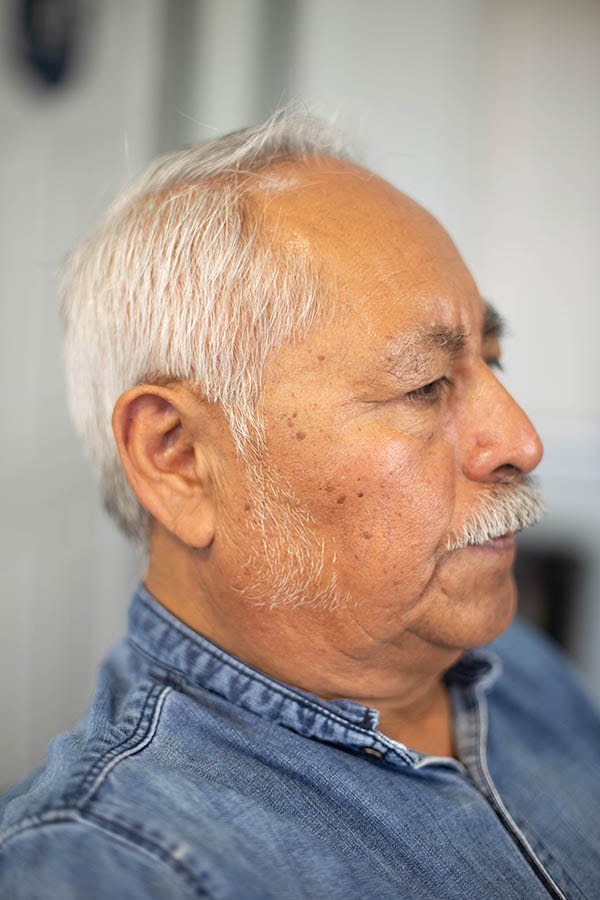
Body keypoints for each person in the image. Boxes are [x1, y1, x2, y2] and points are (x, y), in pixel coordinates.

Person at [1, 114, 598, 899]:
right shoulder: (116, 868)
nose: (520, 440)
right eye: (425, 385)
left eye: (490, 360)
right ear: (177, 458)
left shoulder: (518, 669)